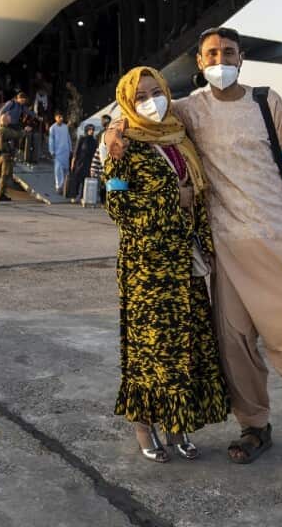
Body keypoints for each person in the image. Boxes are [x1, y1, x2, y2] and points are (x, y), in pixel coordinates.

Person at [106, 26, 282, 509]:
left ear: (241, 58)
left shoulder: (266, 102)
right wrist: (112, 130)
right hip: (226, 253)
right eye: (211, 54)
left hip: (279, 243)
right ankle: (255, 426)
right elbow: (135, 107)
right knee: (235, 349)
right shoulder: (190, 110)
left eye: (228, 53)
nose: (220, 61)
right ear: (199, 61)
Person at [103, 66, 228, 463]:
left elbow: (199, 196)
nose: (151, 102)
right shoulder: (122, 144)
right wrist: (175, 201)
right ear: (127, 102)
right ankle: (144, 425)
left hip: (185, 262)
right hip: (147, 267)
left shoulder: (179, 137)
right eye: (140, 97)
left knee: (185, 348)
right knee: (150, 350)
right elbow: (118, 207)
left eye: (156, 92)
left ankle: (177, 425)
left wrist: (206, 243)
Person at [0, 113, 21, 202]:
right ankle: (1, 195)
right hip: (6, 156)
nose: (10, 121)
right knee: (4, 176)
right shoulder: (6, 131)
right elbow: (17, 135)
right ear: (6, 121)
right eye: (9, 119)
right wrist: (25, 131)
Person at [64, 123, 98, 201]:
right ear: (86, 130)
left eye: (93, 130)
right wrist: (73, 162)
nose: (91, 131)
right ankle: (74, 195)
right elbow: (76, 151)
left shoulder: (94, 141)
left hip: (89, 163)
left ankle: (83, 196)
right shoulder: (82, 139)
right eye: (90, 129)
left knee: (85, 181)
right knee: (76, 180)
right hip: (79, 163)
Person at [47, 111, 72, 192]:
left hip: (66, 151)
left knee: (66, 169)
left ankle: (65, 186)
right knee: (58, 170)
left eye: (62, 117)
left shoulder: (65, 127)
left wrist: (70, 149)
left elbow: (68, 138)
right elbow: (51, 140)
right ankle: (59, 186)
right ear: (55, 118)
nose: (61, 119)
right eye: (59, 117)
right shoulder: (52, 128)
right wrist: (52, 151)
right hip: (58, 152)